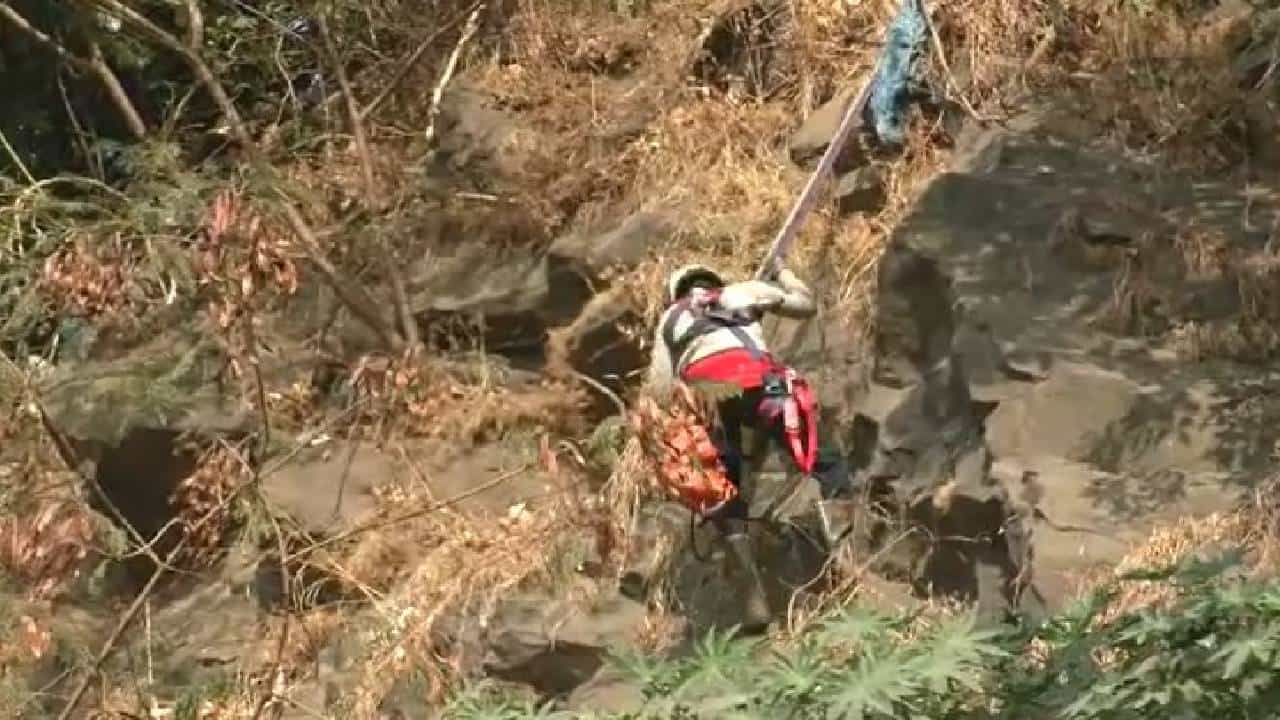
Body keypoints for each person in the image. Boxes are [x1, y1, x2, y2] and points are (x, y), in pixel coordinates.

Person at [646, 262, 854, 632]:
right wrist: (783, 273)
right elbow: (805, 305)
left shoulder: (670, 319)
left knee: (723, 487)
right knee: (821, 455)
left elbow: (661, 387)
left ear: (678, 292)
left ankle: (750, 594)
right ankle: (847, 553)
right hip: (762, 382)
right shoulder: (742, 291)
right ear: (713, 281)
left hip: (710, 392)